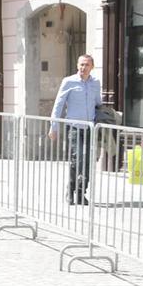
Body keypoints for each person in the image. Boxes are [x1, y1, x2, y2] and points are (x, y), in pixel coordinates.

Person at [48, 54, 102, 205]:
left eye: (87, 65)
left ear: (92, 67)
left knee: (88, 161)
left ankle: (81, 192)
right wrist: (53, 126)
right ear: (77, 65)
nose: (83, 68)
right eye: (81, 64)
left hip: (90, 128)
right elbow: (59, 104)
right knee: (77, 159)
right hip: (74, 128)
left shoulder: (96, 83)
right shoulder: (68, 81)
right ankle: (71, 190)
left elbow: (98, 103)